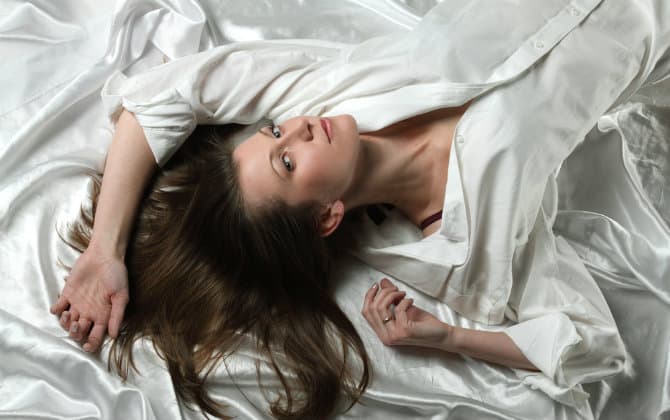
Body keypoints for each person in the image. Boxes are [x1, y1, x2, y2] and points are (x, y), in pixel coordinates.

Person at [50, 0, 670, 418]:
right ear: (326, 216)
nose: (296, 130)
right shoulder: (465, 242)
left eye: (273, 132)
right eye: (286, 162)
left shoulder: (321, 93)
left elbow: (162, 99)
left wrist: (105, 251)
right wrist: (451, 337)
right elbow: (588, 343)